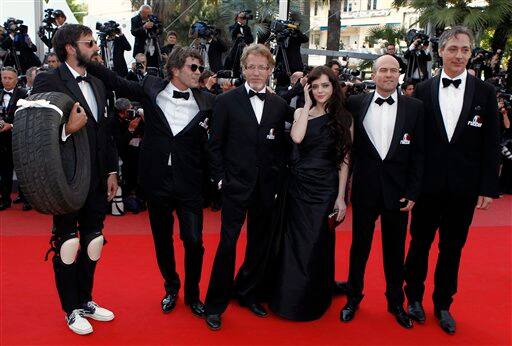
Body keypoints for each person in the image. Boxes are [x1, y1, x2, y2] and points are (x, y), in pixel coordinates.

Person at [86, 46, 215, 318]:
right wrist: (86, 60)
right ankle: (171, 287)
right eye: (193, 67)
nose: (198, 72)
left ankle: (193, 295)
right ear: (175, 69)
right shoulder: (151, 88)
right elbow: (115, 81)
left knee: (194, 241)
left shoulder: (207, 101)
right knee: (162, 239)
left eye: (200, 68)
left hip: (189, 182)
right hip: (157, 181)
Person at [404, 26, 500, 335]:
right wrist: (411, 186)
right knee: (419, 244)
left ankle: (443, 304)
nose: (459, 55)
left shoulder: (485, 93)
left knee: (452, 248)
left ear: (471, 53)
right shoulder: (422, 91)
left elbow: (491, 143)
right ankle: (414, 299)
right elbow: (415, 145)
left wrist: (487, 187)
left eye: (465, 50)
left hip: (464, 188)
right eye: (453, 49)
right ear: (441, 51)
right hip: (427, 188)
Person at [32, 24, 119, 335]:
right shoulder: (48, 78)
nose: (94, 46)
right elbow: (35, 127)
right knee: (68, 243)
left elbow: (105, 130)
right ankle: (70, 310)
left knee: (94, 240)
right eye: (88, 42)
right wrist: (67, 128)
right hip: (66, 176)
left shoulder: (97, 81)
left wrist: (111, 171)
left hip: (97, 177)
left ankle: (85, 300)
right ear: (70, 47)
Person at [204, 44, 292, 331]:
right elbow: (214, 146)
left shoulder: (280, 105)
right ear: (243, 69)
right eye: (251, 66)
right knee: (227, 245)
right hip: (234, 186)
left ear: (270, 70)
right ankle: (215, 304)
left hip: (266, 189)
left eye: (262, 67)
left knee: (258, 246)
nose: (256, 72)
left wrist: (277, 183)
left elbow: (280, 150)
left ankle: (247, 292)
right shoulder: (226, 101)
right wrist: (220, 179)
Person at [339, 55, 424, 329]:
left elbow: (419, 155)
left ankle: (395, 301)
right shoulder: (355, 103)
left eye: (393, 70)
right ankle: (353, 297)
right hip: (365, 189)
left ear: (399, 75)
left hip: (398, 193)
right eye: (383, 70)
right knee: (359, 248)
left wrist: (413, 191)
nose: (388, 75)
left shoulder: (415, 108)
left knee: (395, 250)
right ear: (373, 74)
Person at [269, 65, 352, 321]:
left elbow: (344, 160)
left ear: (334, 87)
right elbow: (296, 137)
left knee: (316, 241)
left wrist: (341, 196)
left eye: (325, 86)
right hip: (298, 186)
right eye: (315, 86)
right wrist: (305, 104)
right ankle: (290, 297)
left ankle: (314, 295)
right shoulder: (302, 112)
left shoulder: (344, 118)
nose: (320, 91)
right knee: (294, 243)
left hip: (325, 188)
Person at [0, 67, 28, 211]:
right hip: (2, 140)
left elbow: (28, 117)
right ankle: (5, 200)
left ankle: (26, 199)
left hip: (19, 138)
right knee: (4, 170)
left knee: (23, 169)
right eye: (4, 78)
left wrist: (10, 125)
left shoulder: (24, 94)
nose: (6, 81)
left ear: (16, 80)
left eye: (10, 78)